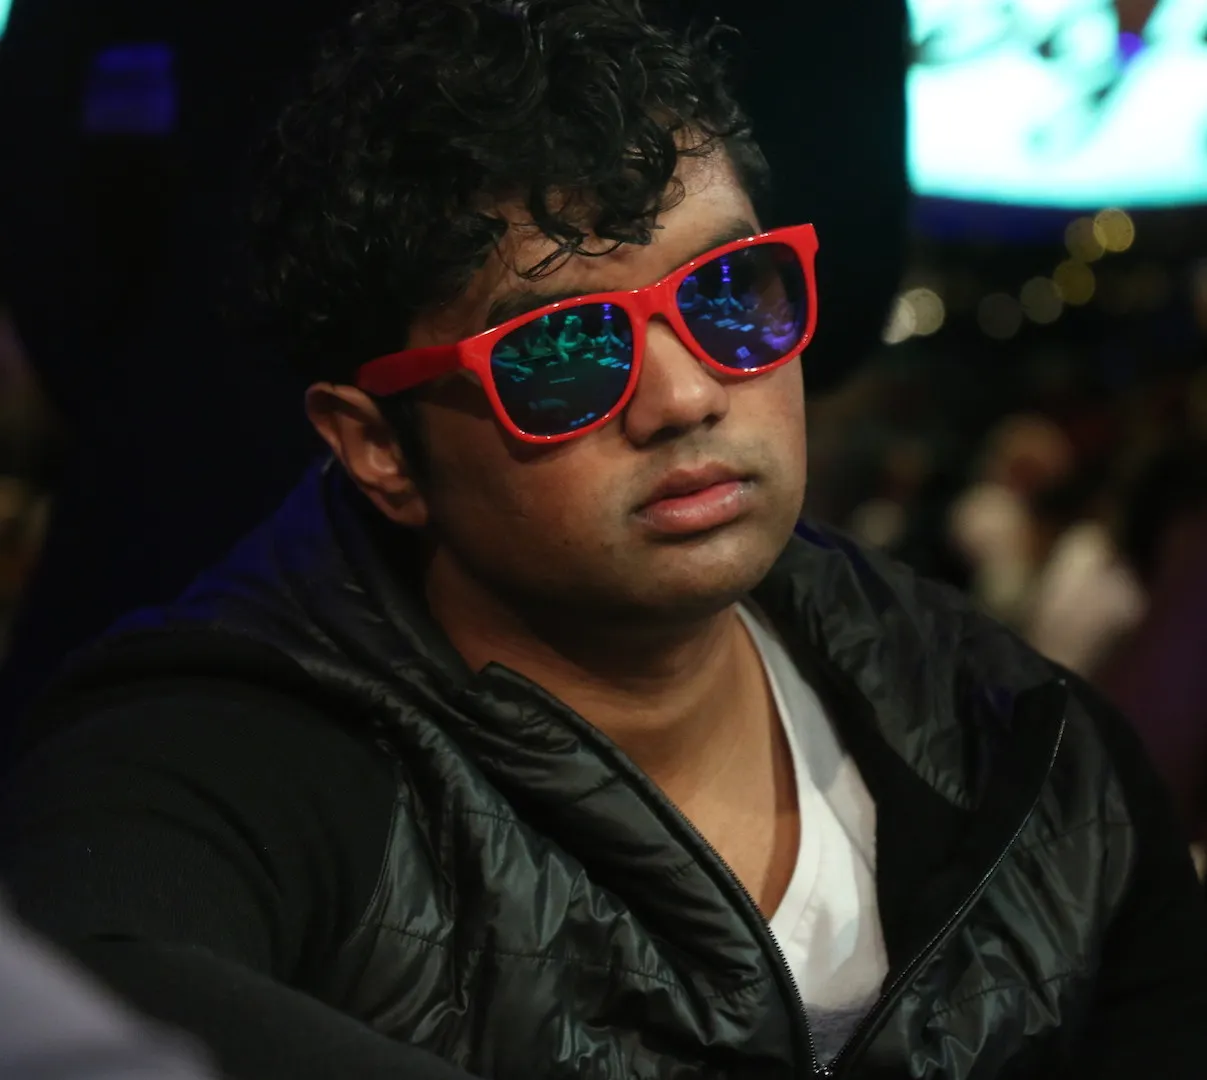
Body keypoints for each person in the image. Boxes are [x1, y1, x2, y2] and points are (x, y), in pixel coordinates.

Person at [2, 3, 1205, 1079]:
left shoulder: (1022, 739)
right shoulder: (215, 758)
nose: (684, 397)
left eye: (730, 296)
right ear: (377, 449)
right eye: (563, 354)